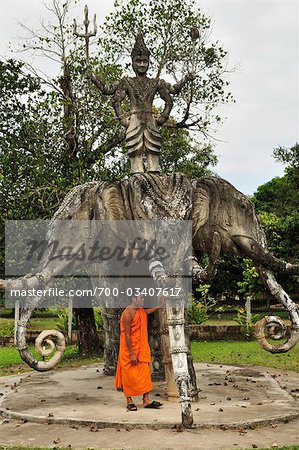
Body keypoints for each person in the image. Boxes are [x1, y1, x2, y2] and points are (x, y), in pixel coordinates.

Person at [115, 293, 164, 411]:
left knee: (145, 373)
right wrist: (131, 353)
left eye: (143, 297)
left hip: (141, 348)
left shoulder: (140, 310)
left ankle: (146, 400)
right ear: (133, 299)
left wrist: (159, 306)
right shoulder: (128, 313)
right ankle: (129, 400)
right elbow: (126, 334)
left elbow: (146, 313)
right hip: (129, 350)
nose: (142, 300)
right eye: (140, 298)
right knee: (129, 376)